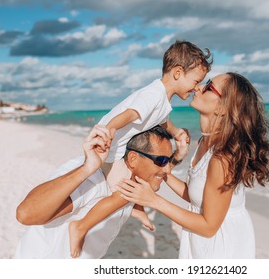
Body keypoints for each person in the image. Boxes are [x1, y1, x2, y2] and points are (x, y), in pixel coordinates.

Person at [67, 40, 212, 257]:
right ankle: (80, 226)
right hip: (111, 149)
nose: (196, 87)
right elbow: (131, 113)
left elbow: (163, 121)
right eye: (196, 81)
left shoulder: (162, 99)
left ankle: (138, 208)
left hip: (120, 149)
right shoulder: (153, 95)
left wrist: (176, 133)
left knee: (137, 181)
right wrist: (109, 130)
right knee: (123, 193)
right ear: (178, 72)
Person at [118, 72, 269, 258]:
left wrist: (153, 200)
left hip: (221, 245)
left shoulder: (222, 158)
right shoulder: (205, 141)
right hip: (203, 239)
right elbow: (196, 195)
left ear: (224, 108)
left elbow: (209, 226)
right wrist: (165, 173)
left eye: (209, 87)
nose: (199, 87)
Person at [15, 125, 176, 258]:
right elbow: (25, 215)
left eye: (170, 160)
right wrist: (87, 169)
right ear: (133, 158)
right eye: (161, 161)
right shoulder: (91, 180)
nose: (168, 169)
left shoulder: (131, 184)